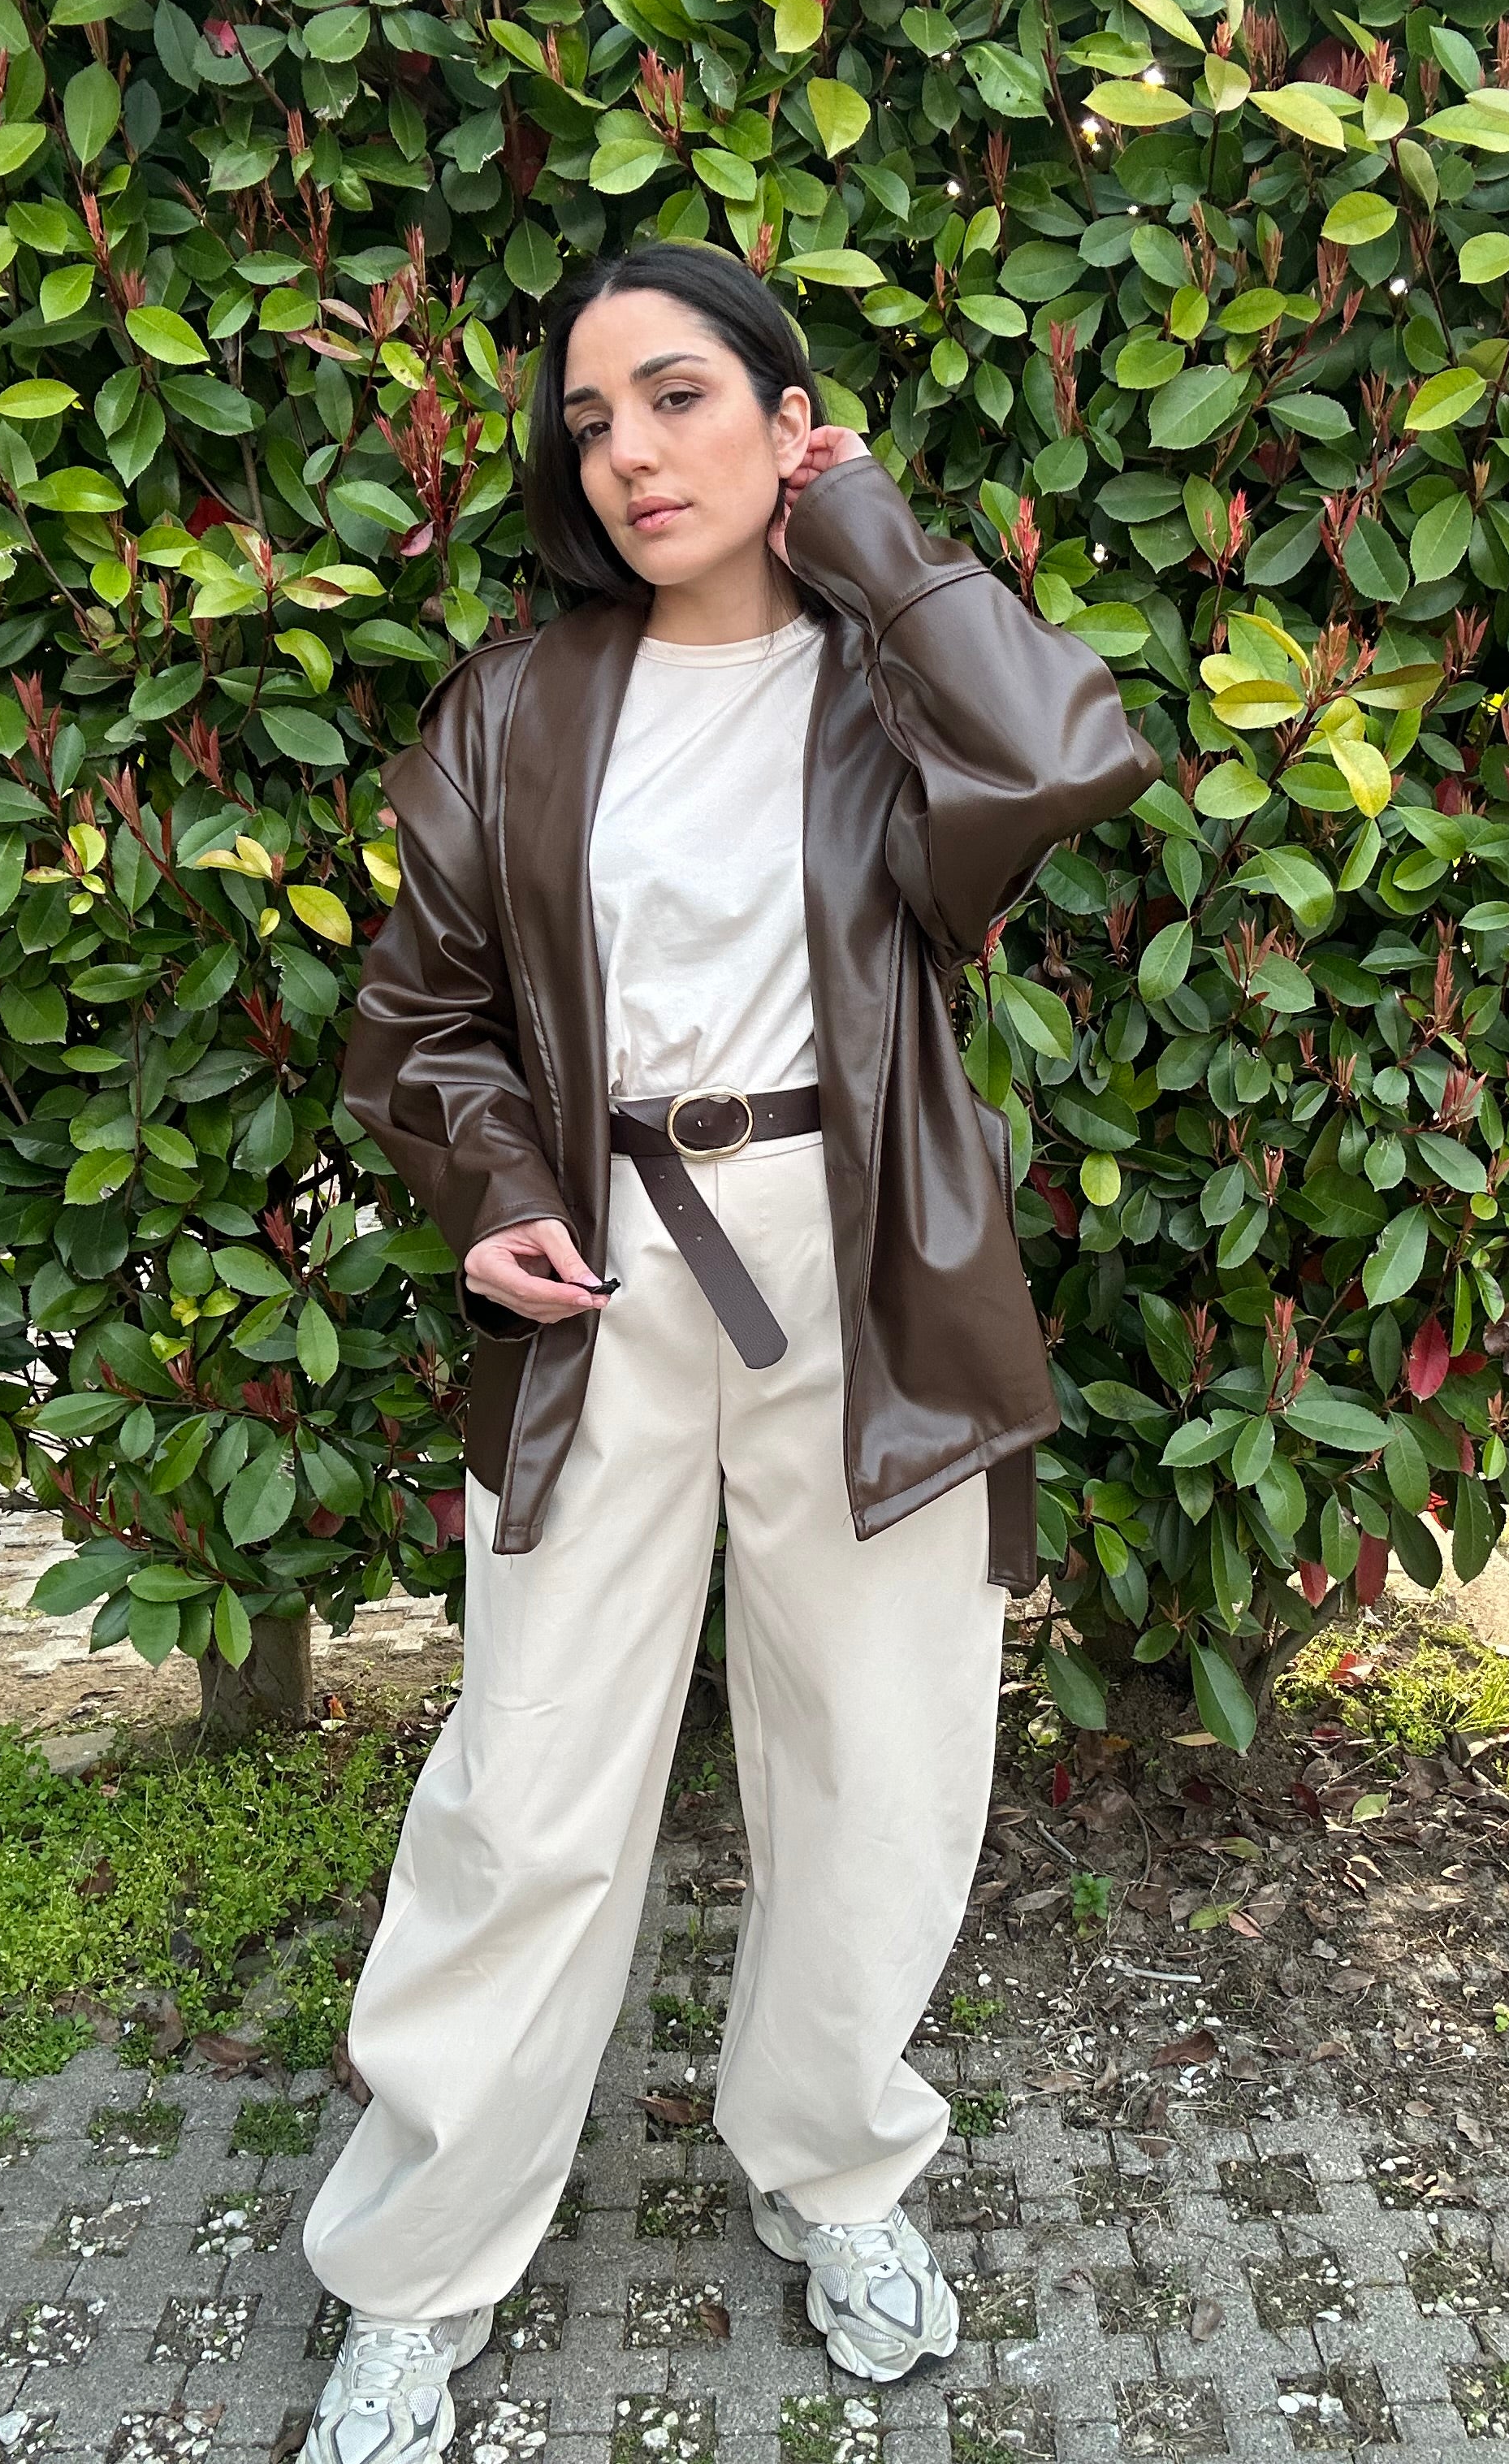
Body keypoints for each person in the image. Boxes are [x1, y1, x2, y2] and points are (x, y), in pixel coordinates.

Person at [299, 238, 1161, 2464]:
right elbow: (419, 1018)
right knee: (526, 1788)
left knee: (880, 1767)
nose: (628, 454)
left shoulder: (893, 696)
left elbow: (1067, 752)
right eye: (590, 421)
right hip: (595, 1286)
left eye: (677, 397)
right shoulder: (517, 704)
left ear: (787, 420)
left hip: (866, 1278)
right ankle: (415, 2269)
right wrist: (493, 1190)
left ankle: (837, 2173)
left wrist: (864, 532)